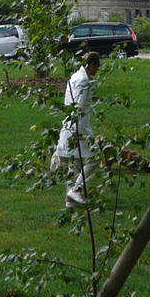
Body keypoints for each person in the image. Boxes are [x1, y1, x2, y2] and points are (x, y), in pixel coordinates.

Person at [55, 51, 101, 206]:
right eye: (98, 66)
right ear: (92, 64)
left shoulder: (75, 77)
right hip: (78, 126)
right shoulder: (83, 82)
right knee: (95, 157)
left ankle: (71, 201)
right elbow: (78, 106)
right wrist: (75, 129)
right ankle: (76, 190)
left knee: (76, 163)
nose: (98, 70)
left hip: (70, 124)